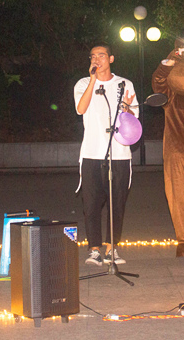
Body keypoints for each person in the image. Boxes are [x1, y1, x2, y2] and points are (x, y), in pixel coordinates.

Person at [73, 43, 137, 267]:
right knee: (91, 204)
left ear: (111, 59)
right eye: (93, 56)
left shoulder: (124, 84)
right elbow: (80, 109)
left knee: (116, 203)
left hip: (119, 154)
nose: (96, 59)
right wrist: (93, 81)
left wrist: (127, 109)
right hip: (92, 153)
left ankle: (111, 249)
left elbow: (134, 119)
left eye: (101, 55)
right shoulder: (83, 83)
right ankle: (94, 250)